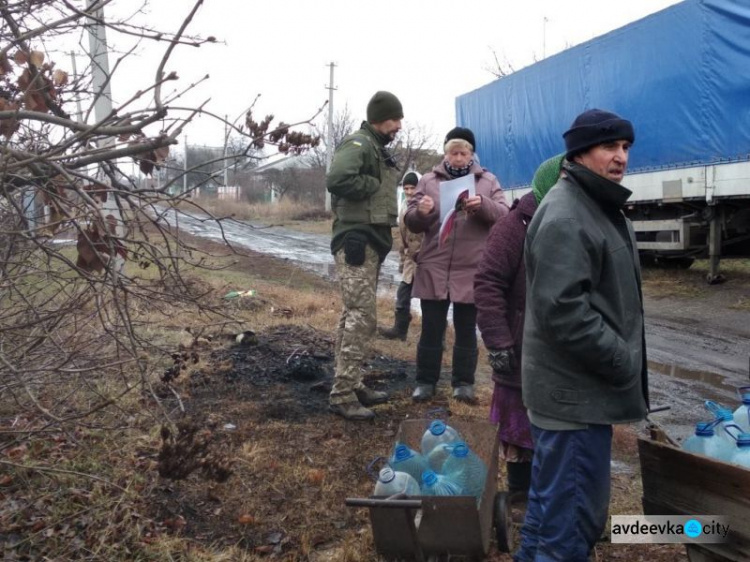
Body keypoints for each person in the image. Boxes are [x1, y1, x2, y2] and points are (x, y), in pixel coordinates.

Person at [514, 109, 650, 562]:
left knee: (550, 512)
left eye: (626, 147)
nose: (620, 157)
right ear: (579, 153)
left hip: (576, 395)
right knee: (571, 526)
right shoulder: (567, 213)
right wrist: (620, 359)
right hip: (573, 399)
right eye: (609, 147)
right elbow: (564, 312)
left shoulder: (594, 205)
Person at [474, 153, 564, 502]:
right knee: (519, 423)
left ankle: (552, 494)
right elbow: (487, 283)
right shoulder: (514, 227)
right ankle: (519, 495)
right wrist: (498, 341)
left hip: (561, 349)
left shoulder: (574, 222)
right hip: (521, 349)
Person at [404, 127, 509, 403]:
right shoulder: (428, 181)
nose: (459, 158)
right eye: (453, 152)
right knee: (431, 329)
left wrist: (483, 204)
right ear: (445, 154)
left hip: (471, 268)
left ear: (472, 154)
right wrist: (421, 212)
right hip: (435, 267)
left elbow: (504, 215)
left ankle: (463, 383)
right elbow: (411, 220)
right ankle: (425, 382)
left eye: (464, 152)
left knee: (466, 329)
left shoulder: (487, 181)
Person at [326, 90, 404, 421]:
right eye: (394, 119)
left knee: (352, 314)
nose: (398, 125)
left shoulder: (375, 148)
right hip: (356, 240)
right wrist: (371, 187)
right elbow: (337, 178)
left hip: (370, 240)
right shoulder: (359, 144)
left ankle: (353, 383)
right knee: (362, 316)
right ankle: (343, 394)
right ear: (379, 118)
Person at [378, 171, 424, 341]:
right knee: (403, 295)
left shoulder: (428, 205)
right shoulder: (404, 207)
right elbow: (403, 240)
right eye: (406, 188)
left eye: (413, 187)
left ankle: (437, 338)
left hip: (427, 262)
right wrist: (402, 261)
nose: (410, 191)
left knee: (430, 301)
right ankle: (400, 330)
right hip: (411, 262)